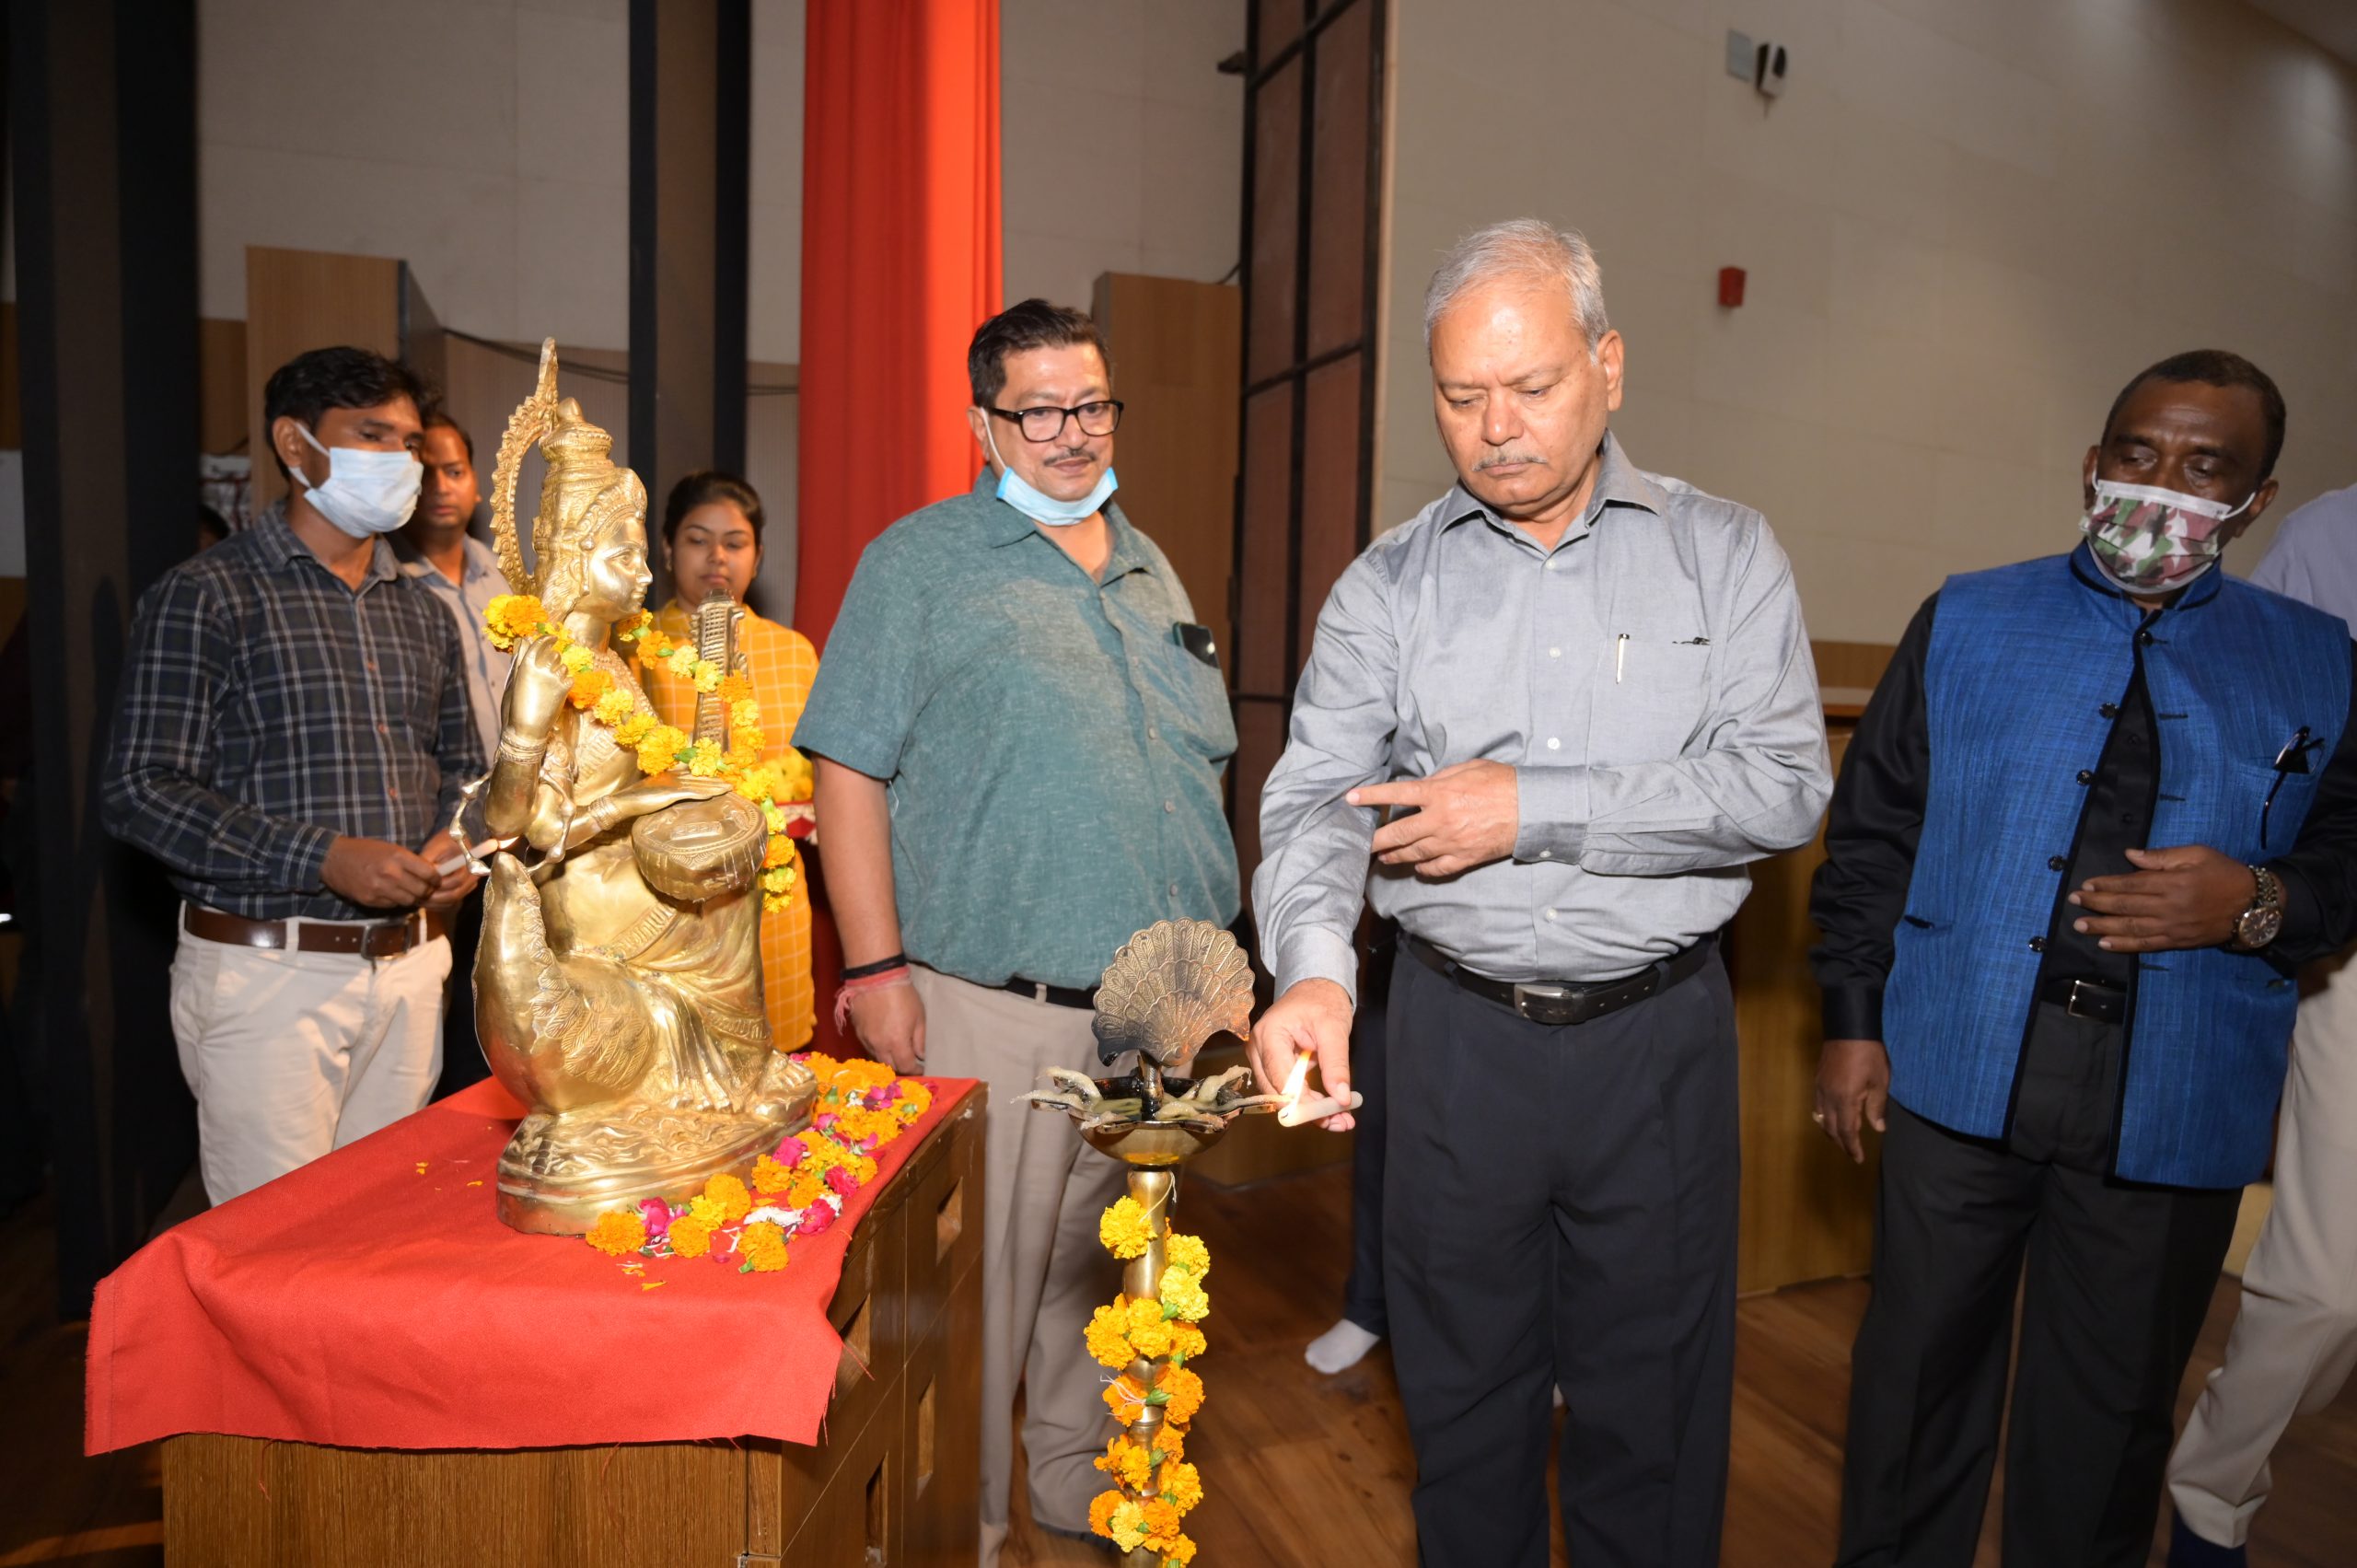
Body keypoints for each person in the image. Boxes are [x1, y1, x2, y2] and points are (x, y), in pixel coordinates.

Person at [1250, 218, 1832, 1568]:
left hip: (1657, 1040)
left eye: (1534, 386)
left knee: (1657, 1416)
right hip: (1451, 1044)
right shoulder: (1388, 584)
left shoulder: (1725, 553)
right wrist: (1316, 969)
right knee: (1462, 1410)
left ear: (1609, 366)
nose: (1496, 426)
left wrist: (1529, 809)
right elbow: (1315, 802)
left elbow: (1784, 787)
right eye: (1462, 397)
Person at [1810, 351, 2357, 1568]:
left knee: (2105, 1425)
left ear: (2255, 500)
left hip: (2174, 1096)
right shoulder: (1967, 615)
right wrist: (1853, 1021)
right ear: (2093, 463)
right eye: (2138, 453)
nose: (2161, 485)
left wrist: (2253, 897)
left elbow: (2342, 872)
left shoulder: (2323, 662)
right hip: (1959, 1064)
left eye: (2204, 466)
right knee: (1911, 1387)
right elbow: (1873, 834)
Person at [794, 297, 1238, 1564]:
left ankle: (1074, 1490)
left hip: (1157, 1009)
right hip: (996, 996)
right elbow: (847, 769)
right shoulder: (922, 561)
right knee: (975, 1292)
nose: (1070, 433)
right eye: (1038, 409)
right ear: (983, 420)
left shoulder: (1154, 566)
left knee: (1096, 1270)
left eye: (1090, 404)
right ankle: (963, 1529)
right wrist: (876, 966)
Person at [102, 346, 483, 1204]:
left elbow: (463, 766)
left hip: (414, 968)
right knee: (273, 1248)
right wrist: (320, 856)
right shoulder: (208, 594)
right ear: (296, 444)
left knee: (379, 1235)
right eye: (371, 434)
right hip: (271, 976)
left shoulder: (420, 611)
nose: (400, 461)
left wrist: (456, 839)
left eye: (412, 441)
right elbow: (140, 788)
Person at [2165, 478, 2357, 1568]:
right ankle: (2212, 1497)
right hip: (2348, 936)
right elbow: (2269, 747)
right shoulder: (2334, 536)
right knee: (2328, 1284)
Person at [637, 470, 820, 1051]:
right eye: (697, 539)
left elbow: (811, 780)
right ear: (666, 549)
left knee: (776, 1061)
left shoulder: (793, 651)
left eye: (735, 543)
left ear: (758, 556)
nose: (717, 556)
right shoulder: (633, 648)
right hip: (664, 902)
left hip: (773, 891)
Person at [392, 409, 509, 1096]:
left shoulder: (504, 577)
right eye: (425, 468)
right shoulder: (390, 582)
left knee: (493, 1001)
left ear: (476, 485)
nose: (441, 485)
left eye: (456, 470)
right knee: (430, 1009)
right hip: (431, 830)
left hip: (510, 827)